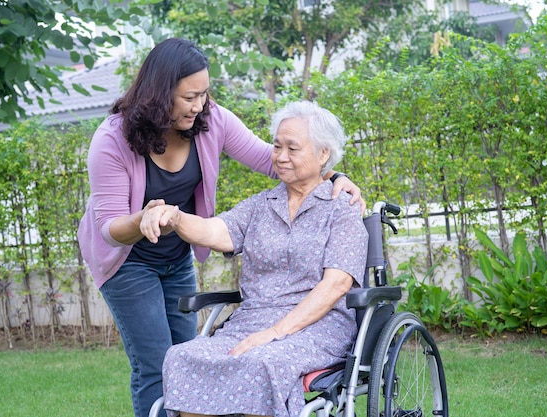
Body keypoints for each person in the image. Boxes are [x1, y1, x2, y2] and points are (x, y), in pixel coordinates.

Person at [77, 38, 364, 417]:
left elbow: (277, 159)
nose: (200, 105)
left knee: (183, 352)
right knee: (158, 361)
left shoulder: (210, 120)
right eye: (189, 97)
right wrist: (154, 217)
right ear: (161, 96)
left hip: (176, 256)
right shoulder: (113, 139)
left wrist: (334, 177)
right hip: (126, 258)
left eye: (204, 94)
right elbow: (110, 227)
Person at [147, 101, 368, 417]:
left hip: (317, 326)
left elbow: (335, 285)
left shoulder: (341, 210)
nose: (280, 156)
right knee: (182, 357)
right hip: (251, 321)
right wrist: (176, 217)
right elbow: (215, 230)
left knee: (262, 361)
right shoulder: (260, 206)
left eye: (293, 148)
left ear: (323, 154)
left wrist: (276, 332)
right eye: (277, 146)